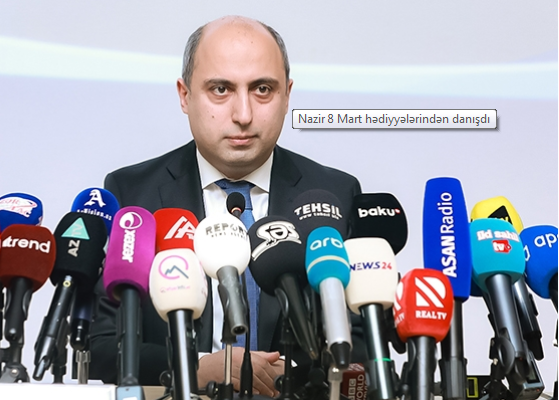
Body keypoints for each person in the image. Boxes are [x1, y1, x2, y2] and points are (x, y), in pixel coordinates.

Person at [89, 15, 364, 396]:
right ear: (185, 95)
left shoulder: (334, 194)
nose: (243, 115)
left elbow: (362, 343)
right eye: (221, 89)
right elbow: (102, 348)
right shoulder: (134, 194)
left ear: (287, 95)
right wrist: (195, 367)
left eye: (262, 89)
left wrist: (292, 374)